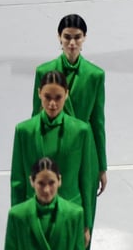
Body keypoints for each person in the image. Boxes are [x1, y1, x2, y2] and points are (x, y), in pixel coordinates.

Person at [12, 71, 99, 241]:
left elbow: (86, 180)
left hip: (71, 217)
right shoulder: (24, 132)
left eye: (58, 97)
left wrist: (86, 223)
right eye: (47, 97)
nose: (52, 104)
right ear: (39, 94)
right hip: (34, 217)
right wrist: (18, 221)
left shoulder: (81, 131)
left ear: (66, 94)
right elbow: (18, 181)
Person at [32, 13, 108, 195]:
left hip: (85, 151)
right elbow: (36, 118)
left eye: (77, 37)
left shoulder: (95, 75)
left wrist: (102, 166)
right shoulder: (43, 72)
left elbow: (98, 122)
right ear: (59, 37)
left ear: (84, 38)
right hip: (53, 147)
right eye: (67, 37)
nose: (72, 43)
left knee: (84, 210)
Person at [5, 157, 87, 250]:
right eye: (41, 183)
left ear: (59, 180)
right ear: (32, 181)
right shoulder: (17, 216)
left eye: (51, 183)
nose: (46, 190)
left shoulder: (75, 214)